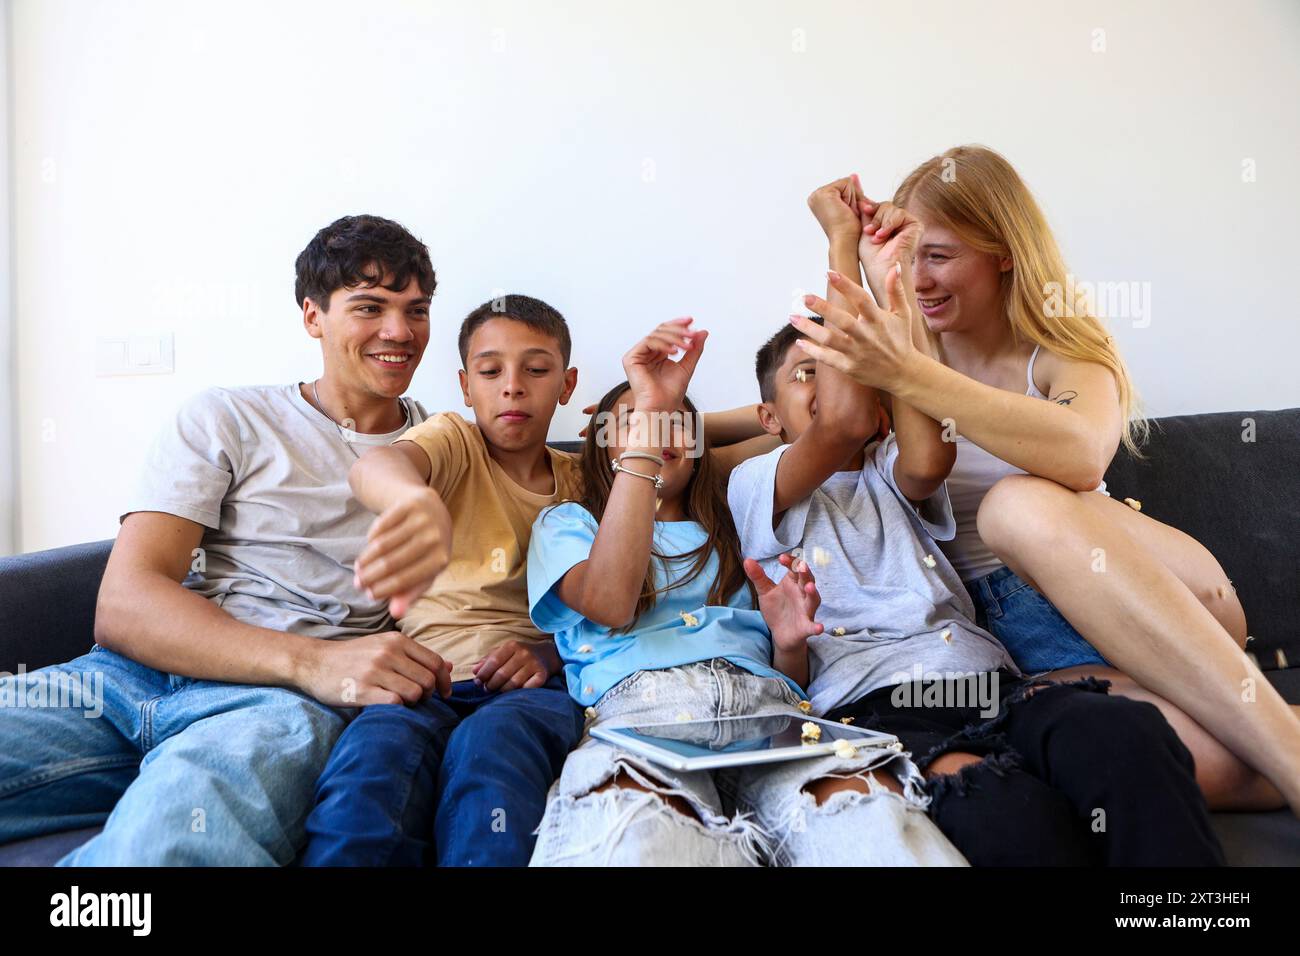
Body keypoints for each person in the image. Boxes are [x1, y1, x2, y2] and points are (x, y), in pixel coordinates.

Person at [791, 153, 1300, 813]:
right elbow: (820, 422)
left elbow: (1082, 456)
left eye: (940, 256)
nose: (919, 279)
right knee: (1174, 763)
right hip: (1023, 644)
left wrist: (909, 372)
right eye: (907, 256)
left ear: (1003, 253)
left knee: (1015, 506)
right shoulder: (900, 356)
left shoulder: (1061, 352)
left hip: (1156, 594)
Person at [0, 214, 449, 864]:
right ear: (312, 316)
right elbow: (125, 603)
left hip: (273, 712)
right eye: (370, 307)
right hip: (125, 679)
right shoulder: (228, 417)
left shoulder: (445, 451)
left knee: (162, 849)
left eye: (417, 310)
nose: (400, 332)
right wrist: (314, 660)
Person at [526, 319, 965, 866]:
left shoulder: (739, 518)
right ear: (604, 445)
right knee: (633, 839)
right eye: (638, 423)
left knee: (871, 823)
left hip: (774, 721)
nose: (660, 431)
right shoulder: (567, 524)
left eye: (675, 425)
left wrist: (789, 644)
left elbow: (811, 429)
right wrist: (653, 408)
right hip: (647, 724)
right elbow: (611, 604)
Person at [300, 294, 588, 866]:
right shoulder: (452, 441)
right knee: (368, 774)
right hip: (421, 682)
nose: (512, 386)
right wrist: (414, 501)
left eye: (536, 369)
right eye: (490, 371)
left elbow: (615, 600)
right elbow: (379, 465)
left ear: (567, 383)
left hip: (533, 690)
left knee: (491, 759)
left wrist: (551, 653)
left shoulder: (590, 480)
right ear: (464, 385)